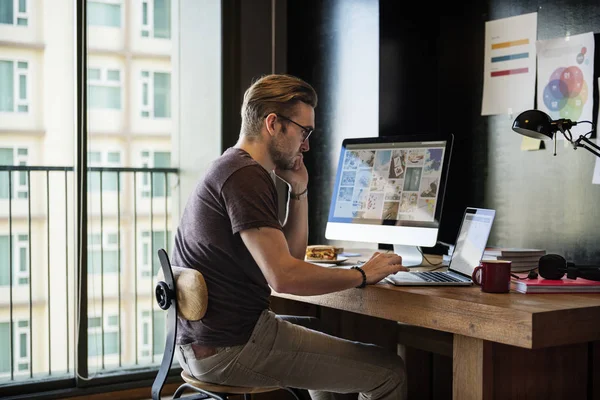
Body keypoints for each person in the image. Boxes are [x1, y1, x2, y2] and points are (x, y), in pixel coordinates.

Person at [172, 74, 408, 400]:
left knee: (321, 330)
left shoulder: (234, 167)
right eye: (304, 131)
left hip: (205, 344)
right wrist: (363, 274)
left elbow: (292, 259)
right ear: (273, 123)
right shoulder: (245, 176)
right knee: (389, 372)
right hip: (231, 347)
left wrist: (298, 190)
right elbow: (283, 278)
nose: (307, 144)